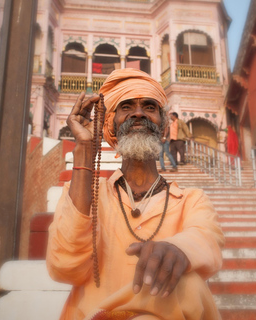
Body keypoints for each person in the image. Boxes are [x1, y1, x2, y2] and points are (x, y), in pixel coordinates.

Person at [46, 68, 224, 320]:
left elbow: (206, 238)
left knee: (190, 283)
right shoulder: (85, 196)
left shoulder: (191, 200)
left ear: (163, 128)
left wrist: (177, 249)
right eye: (126, 107)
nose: (138, 113)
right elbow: (65, 267)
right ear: (111, 125)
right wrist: (85, 148)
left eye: (149, 107)